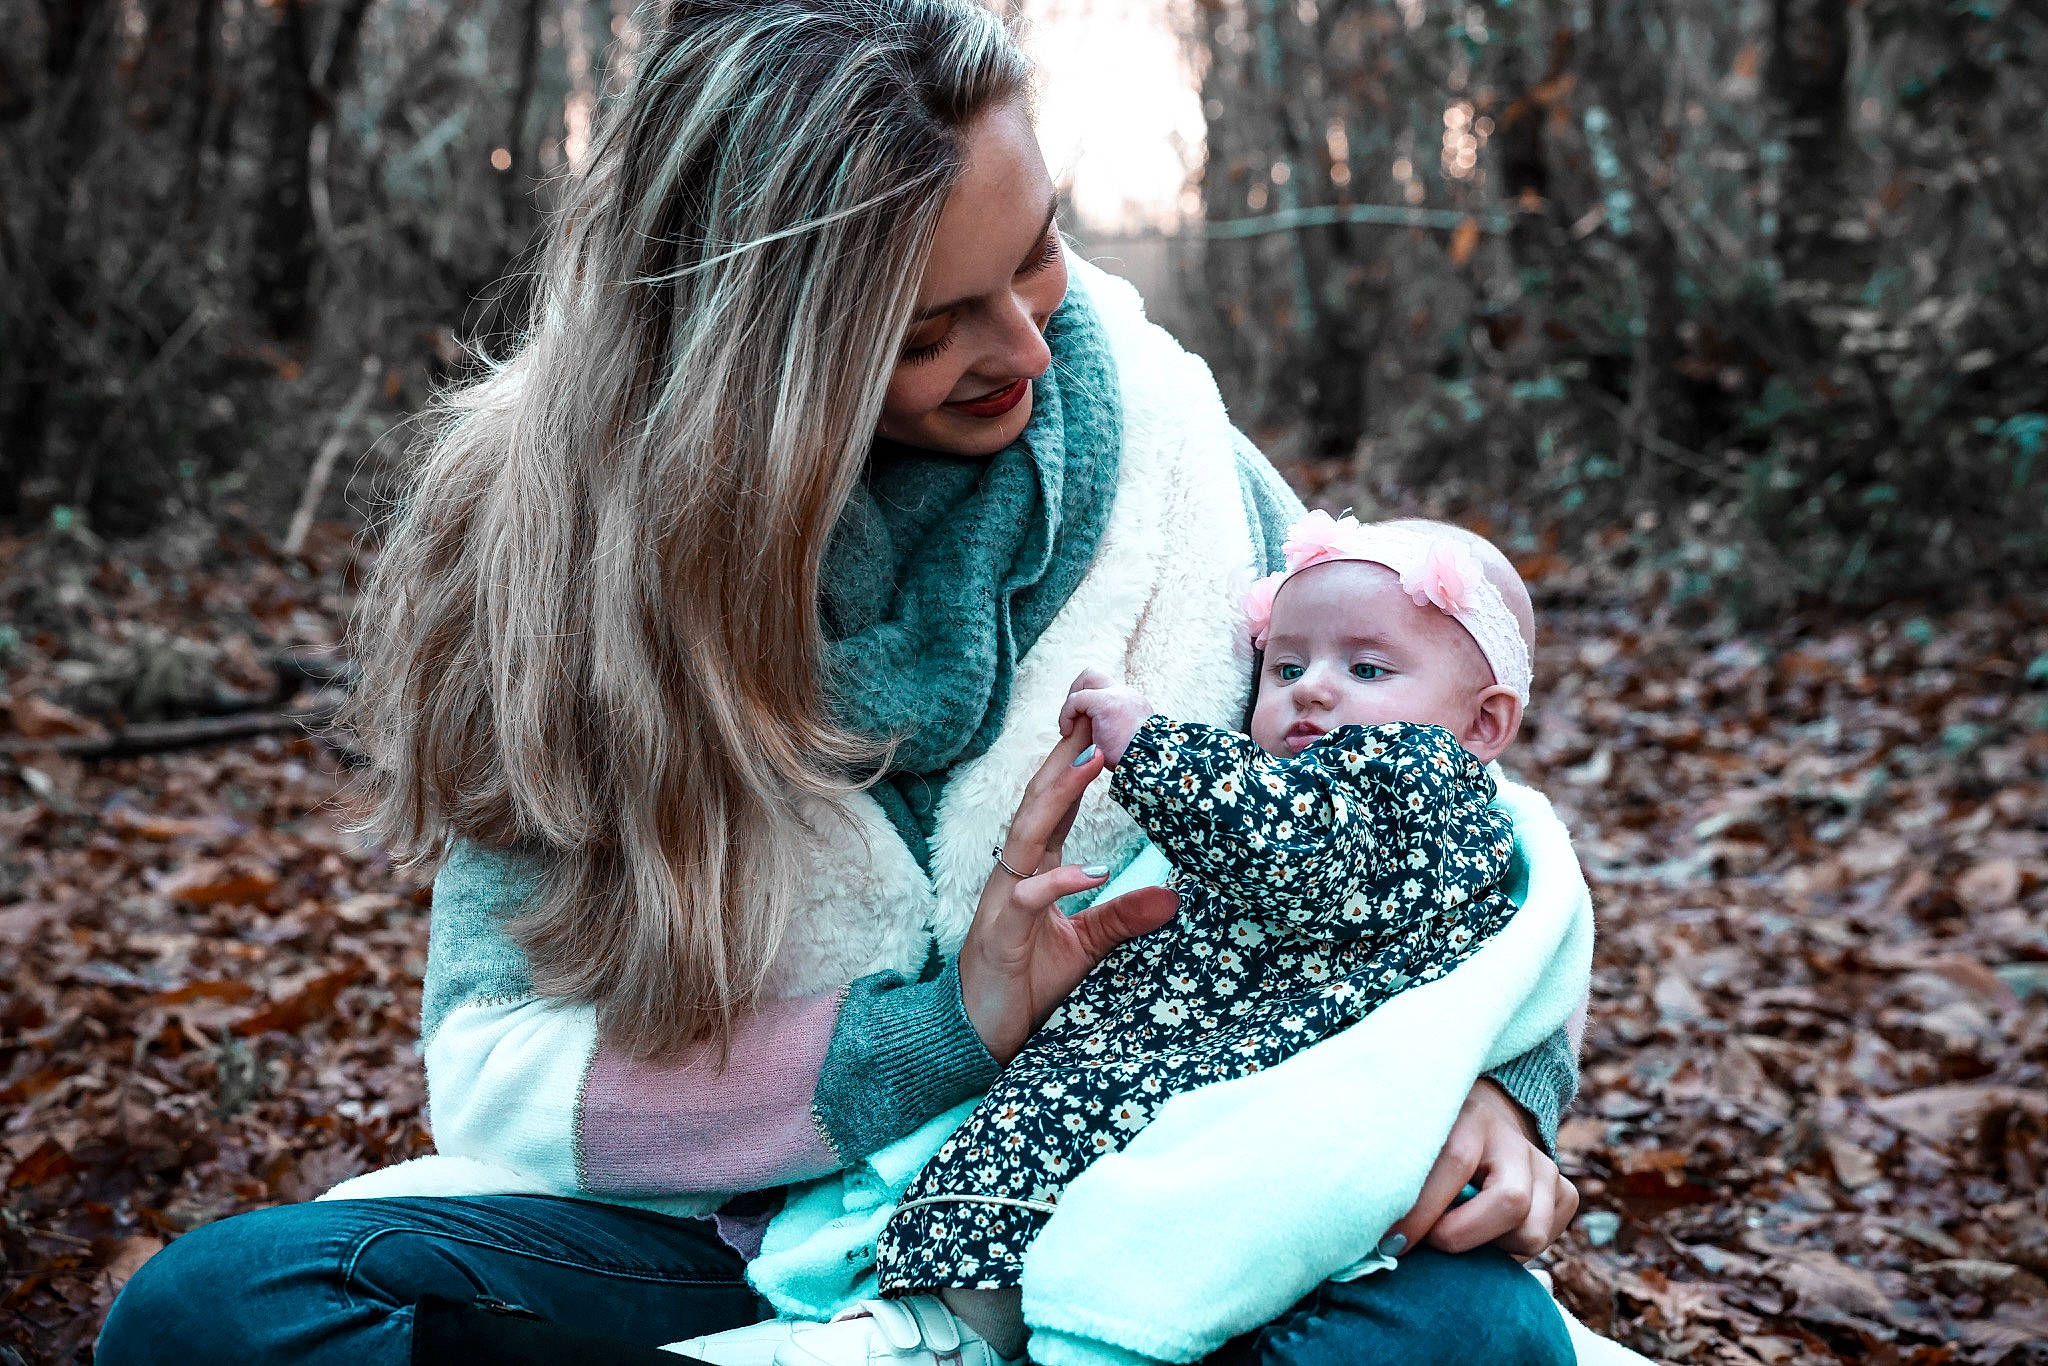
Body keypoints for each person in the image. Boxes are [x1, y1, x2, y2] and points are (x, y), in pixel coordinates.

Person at [97, 5, 1580, 1364]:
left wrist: (1510, 1086)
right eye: (927, 329)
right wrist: (943, 1032)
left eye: (1039, 252)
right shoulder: (556, 557)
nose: (1026, 347)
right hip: (745, 1246)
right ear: (758, 360)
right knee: (214, 1315)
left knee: (1479, 1329)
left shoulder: (1175, 456)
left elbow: (1425, 799)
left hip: (1150, 1209)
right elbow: (498, 1069)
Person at [763, 516, 1551, 1366]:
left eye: (1366, 668)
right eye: (1285, 667)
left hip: (1275, 1069)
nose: (1312, 690)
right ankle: (952, 1327)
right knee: (1027, 1138)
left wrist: (1152, 746)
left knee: (1149, 1185)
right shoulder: (1299, 773)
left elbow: (1299, 854)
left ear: (1485, 724)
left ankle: (1038, 1332)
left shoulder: (1425, 792)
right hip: (1173, 1045)